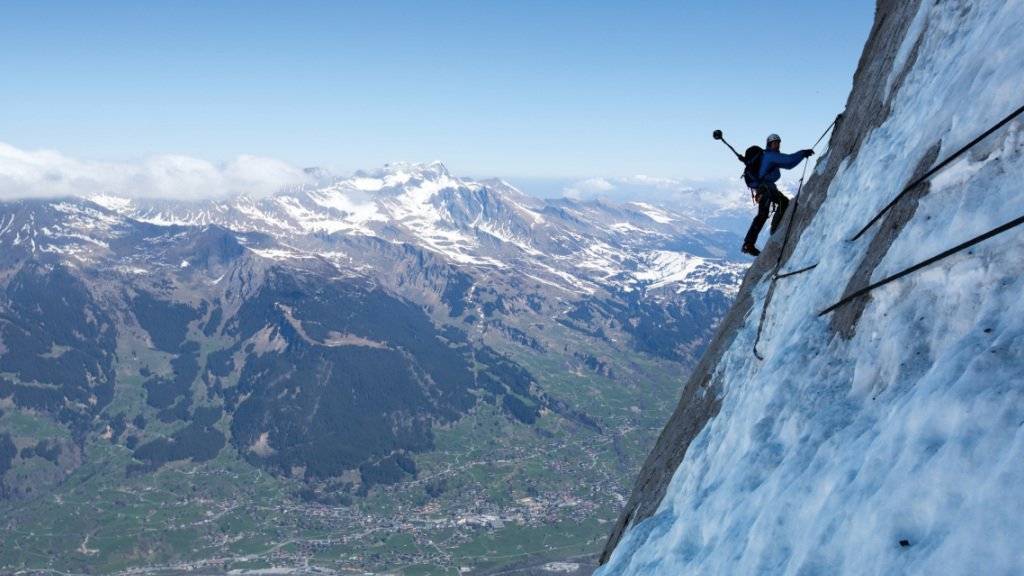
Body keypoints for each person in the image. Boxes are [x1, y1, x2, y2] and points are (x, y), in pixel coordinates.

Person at [741, 134, 814, 256]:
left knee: (767, 212)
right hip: (765, 189)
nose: (777, 145)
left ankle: (750, 243)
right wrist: (803, 153)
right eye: (774, 143)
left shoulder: (769, 156)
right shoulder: (770, 156)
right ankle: (771, 232)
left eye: (778, 142)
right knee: (776, 206)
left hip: (764, 188)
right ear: (769, 144)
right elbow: (789, 161)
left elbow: (787, 163)